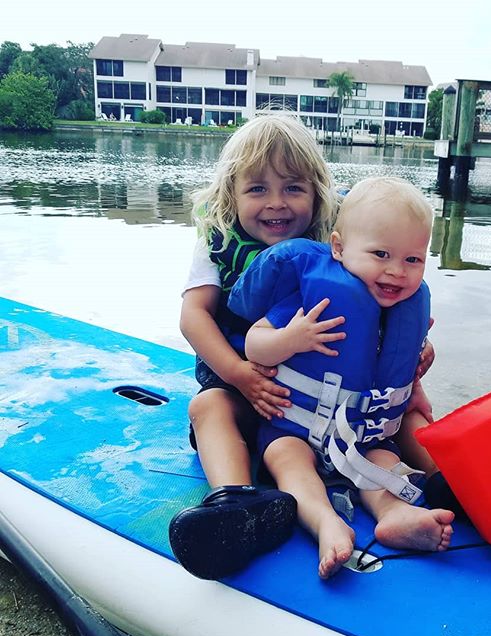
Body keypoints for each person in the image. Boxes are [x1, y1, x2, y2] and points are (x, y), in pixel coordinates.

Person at [169, 114, 446, 582]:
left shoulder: (335, 243)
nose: (276, 203)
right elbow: (193, 317)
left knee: (409, 421)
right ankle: (237, 502)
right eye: (257, 189)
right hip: (244, 384)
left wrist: (411, 373)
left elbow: (385, 307)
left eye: (293, 188)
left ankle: (451, 486)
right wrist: (241, 375)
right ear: (230, 195)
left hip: (334, 398)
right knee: (208, 406)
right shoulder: (216, 244)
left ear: (317, 194)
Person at [236, 177, 455, 579]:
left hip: (365, 437)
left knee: (383, 464)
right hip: (293, 431)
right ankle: (324, 522)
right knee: (290, 465)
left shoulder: (406, 311)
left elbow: (398, 373)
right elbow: (254, 344)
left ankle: (394, 514)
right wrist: (291, 338)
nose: (396, 272)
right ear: (338, 247)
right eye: (381, 254)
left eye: (413, 260)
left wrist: (419, 370)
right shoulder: (317, 298)